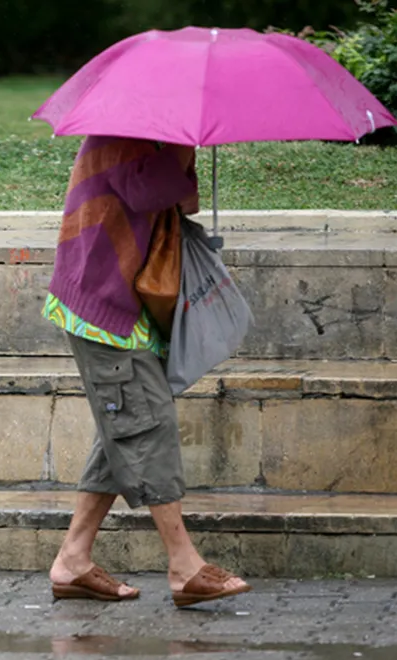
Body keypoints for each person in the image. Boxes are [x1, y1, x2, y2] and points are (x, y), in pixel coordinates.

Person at [42, 135, 251, 608]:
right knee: (149, 427)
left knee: (129, 427)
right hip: (101, 308)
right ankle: (185, 565)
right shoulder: (120, 135)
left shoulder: (156, 138)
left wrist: (188, 150)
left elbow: (186, 200)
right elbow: (147, 194)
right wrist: (180, 151)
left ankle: (73, 559)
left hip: (132, 306)